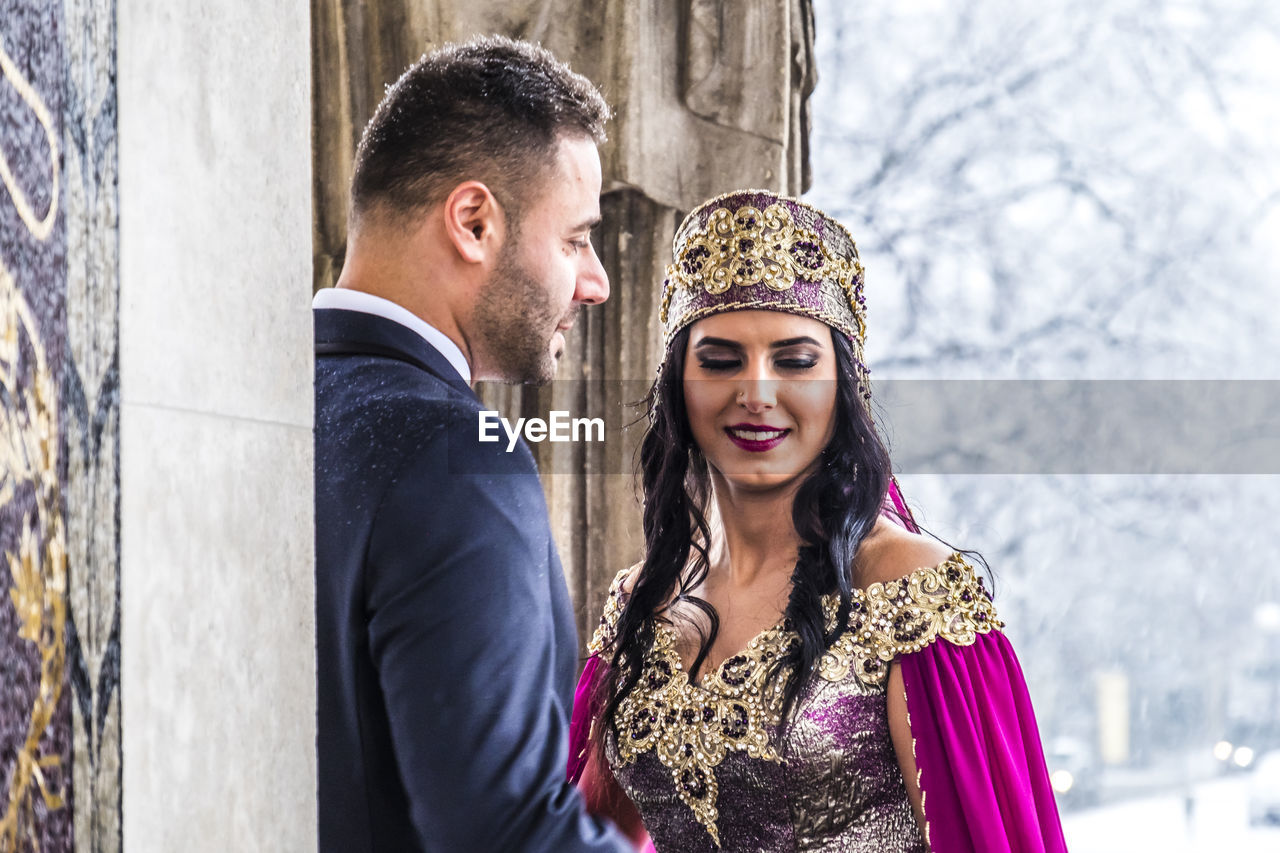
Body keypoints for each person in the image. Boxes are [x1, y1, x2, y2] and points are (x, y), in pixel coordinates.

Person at [568, 190, 1069, 852]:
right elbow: (581, 829)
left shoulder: (912, 591)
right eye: (719, 360)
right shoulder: (641, 599)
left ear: (843, 385)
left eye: (794, 361)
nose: (756, 392)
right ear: (679, 387)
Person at [313, 36, 632, 852]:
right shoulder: (460, 457)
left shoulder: (258, 407)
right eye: (575, 240)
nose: (593, 282)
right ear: (475, 221)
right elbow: (510, 833)